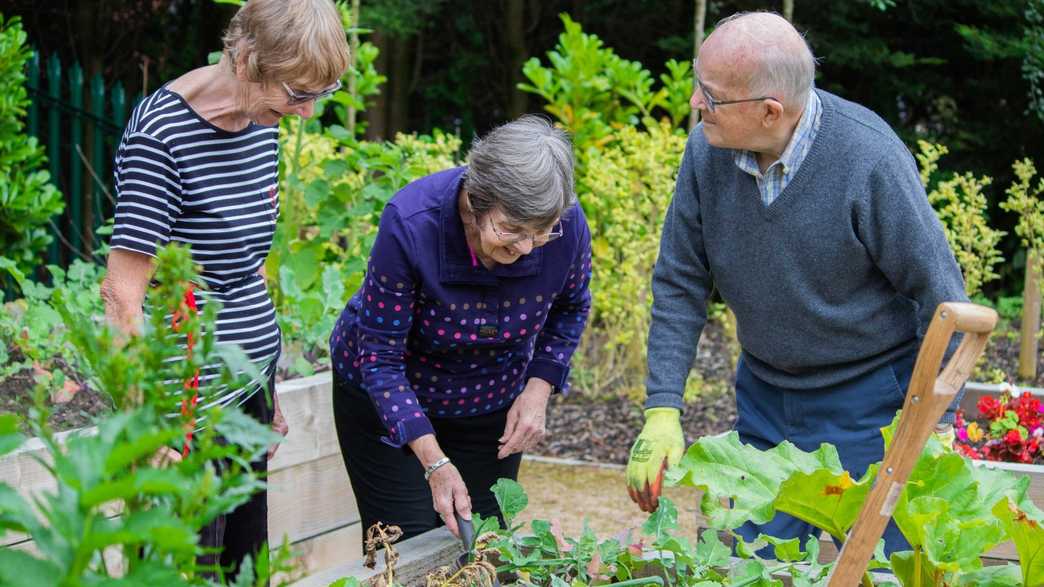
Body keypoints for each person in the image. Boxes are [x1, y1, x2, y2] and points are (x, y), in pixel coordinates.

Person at [625, 11, 967, 556]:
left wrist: (935, 423)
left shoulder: (868, 159)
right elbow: (680, 280)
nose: (696, 104)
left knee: (887, 566)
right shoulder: (705, 153)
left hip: (871, 402)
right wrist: (663, 407)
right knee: (747, 562)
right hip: (766, 398)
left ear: (769, 111)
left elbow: (944, 297)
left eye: (710, 96)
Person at [101, 0, 349, 577]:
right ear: (245, 58)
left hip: (246, 383)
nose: (307, 113)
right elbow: (121, 294)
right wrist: (148, 420)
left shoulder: (263, 122)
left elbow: (246, 269)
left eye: (322, 94)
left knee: (244, 564)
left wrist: (271, 384)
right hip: (182, 396)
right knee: (185, 567)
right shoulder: (162, 135)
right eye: (297, 94)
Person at [329, 115, 592, 544]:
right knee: (408, 546)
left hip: (489, 400)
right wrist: (433, 463)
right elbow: (379, 358)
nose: (525, 248)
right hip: (391, 399)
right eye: (510, 230)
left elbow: (571, 307)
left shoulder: (566, 224)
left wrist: (538, 389)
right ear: (475, 201)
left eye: (540, 234)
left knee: (482, 543)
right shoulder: (412, 223)